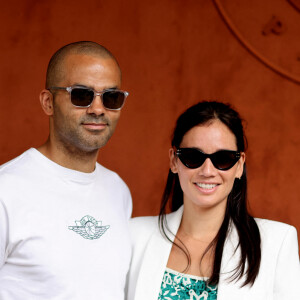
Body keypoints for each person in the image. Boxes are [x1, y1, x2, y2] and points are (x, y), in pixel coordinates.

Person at [127, 101, 300, 300]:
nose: (207, 171)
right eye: (193, 157)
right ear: (174, 161)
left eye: (223, 159)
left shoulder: (276, 243)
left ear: (239, 165)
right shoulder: (134, 236)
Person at [0, 41, 132, 299]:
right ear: (48, 102)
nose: (97, 109)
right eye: (81, 95)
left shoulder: (118, 190)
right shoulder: (6, 190)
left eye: (111, 97)